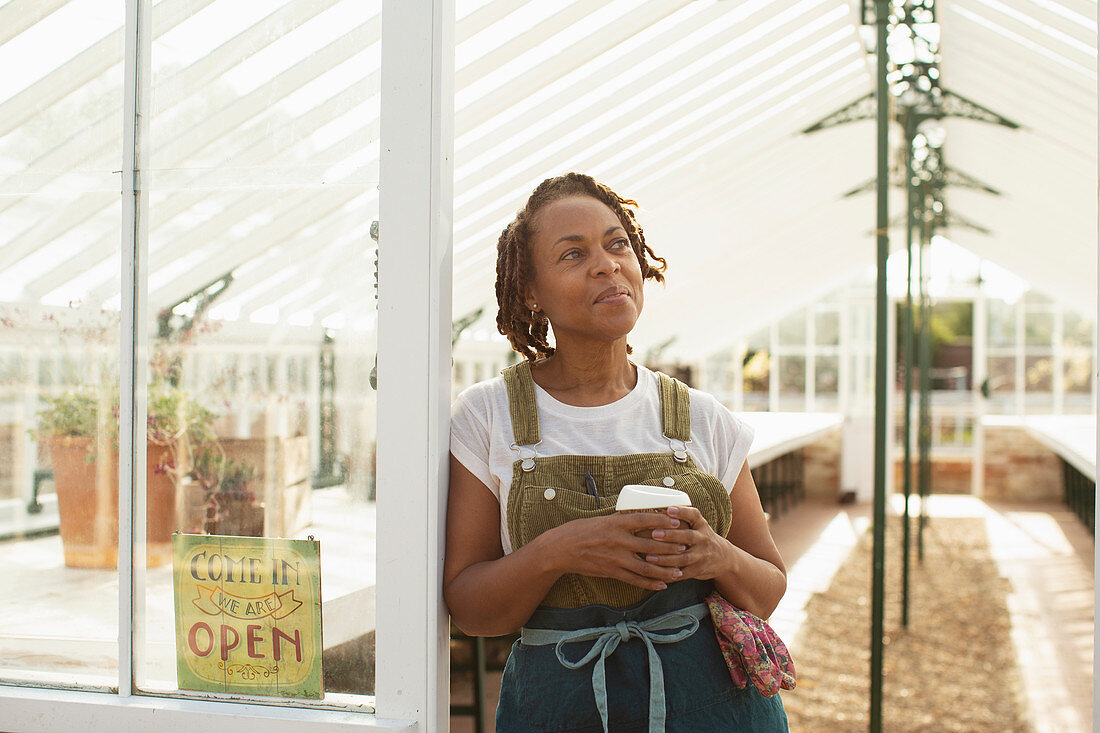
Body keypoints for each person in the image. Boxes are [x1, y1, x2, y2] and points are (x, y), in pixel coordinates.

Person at [445, 172, 790, 732]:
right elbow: (473, 609)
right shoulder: (488, 417)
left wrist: (713, 555)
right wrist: (559, 550)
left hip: (715, 710)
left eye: (617, 243)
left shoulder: (702, 420)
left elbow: (768, 588)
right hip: (560, 711)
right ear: (531, 291)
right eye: (574, 254)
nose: (606, 264)